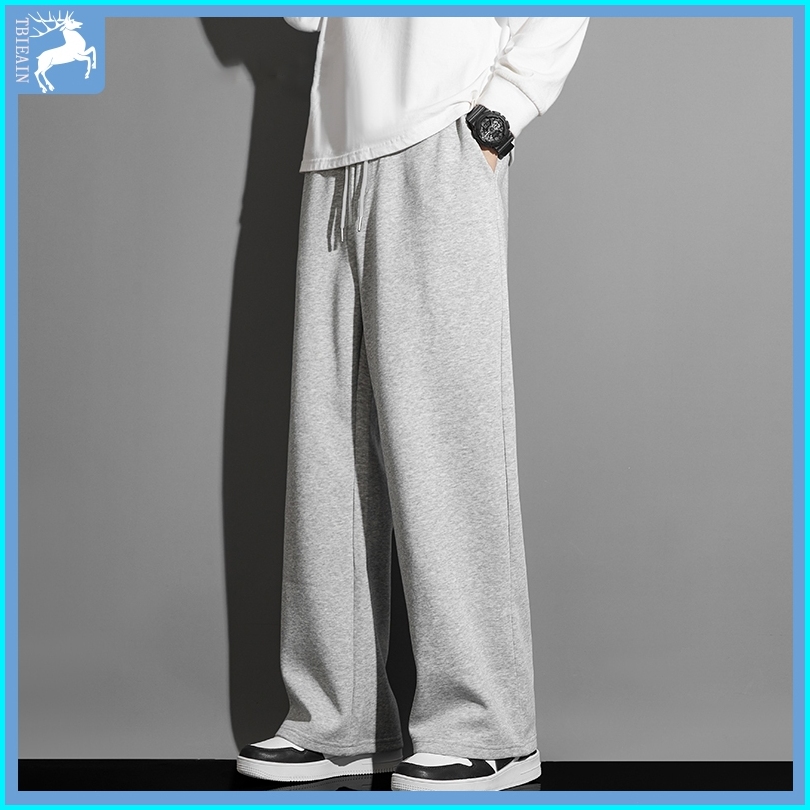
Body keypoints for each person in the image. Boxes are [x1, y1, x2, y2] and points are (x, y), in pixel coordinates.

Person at [236, 15, 590, 791]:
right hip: (336, 146)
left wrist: (504, 110)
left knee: (447, 438)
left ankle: (486, 727)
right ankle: (337, 721)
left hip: (442, 131)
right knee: (328, 452)